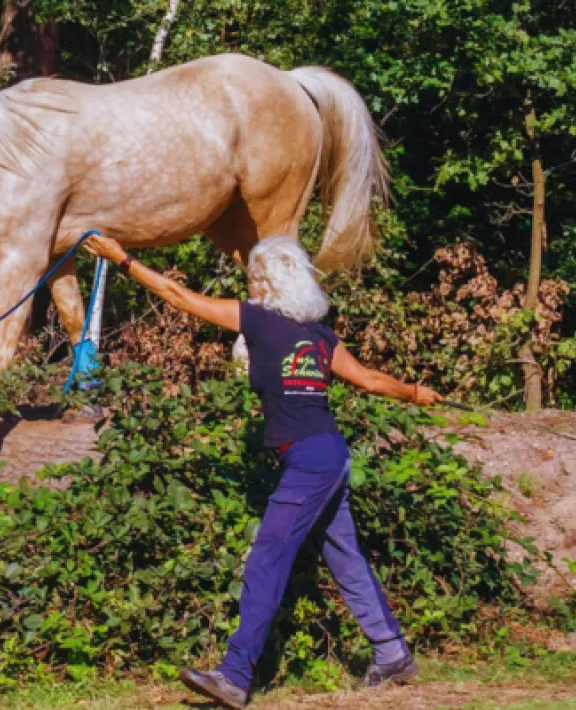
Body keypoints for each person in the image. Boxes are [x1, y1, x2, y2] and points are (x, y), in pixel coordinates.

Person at [83, 234, 442, 709]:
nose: (249, 286)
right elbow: (370, 380)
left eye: (253, 278)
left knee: (267, 557)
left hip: (311, 460)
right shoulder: (320, 334)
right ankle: (392, 653)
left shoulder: (257, 318)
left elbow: (178, 296)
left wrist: (123, 260)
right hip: (329, 454)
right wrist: (413, 392)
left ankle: (234, 675)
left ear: (268, 282)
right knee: (345, 556)